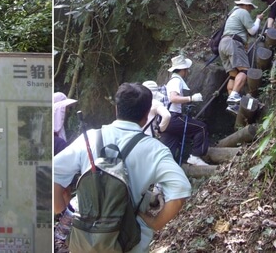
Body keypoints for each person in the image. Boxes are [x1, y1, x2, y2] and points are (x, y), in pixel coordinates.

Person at [53, 82, 191, 253]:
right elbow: (180, 191)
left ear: (116, 109)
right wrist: (155, 223)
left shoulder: (89, 138)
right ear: (147, 114)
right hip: (128, 242)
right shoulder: (156, 150)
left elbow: (51, 172)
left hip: (85, 239)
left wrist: (59, 207)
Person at [158, 56, 209, 166]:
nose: (188, 72)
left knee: (168, 149)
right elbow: (173, 98)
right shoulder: (176, 81)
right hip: (173, 117)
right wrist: (191, 98)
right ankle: (195, 156)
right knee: (201, 128)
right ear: (182, 70)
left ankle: (163, 171)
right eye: (186, 69)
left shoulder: (172, 80)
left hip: (167, 120)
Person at [218, 0, 262, 113]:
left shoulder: (232, 14)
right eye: (250, 7)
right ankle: (233, 97)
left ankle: (231, 103)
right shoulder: (243, 12)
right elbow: (252, 30)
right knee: (244, 71)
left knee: (233, 75)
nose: (251, 10)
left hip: (223, 44)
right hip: (233, 42)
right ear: (246, 5)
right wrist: (258, 19)